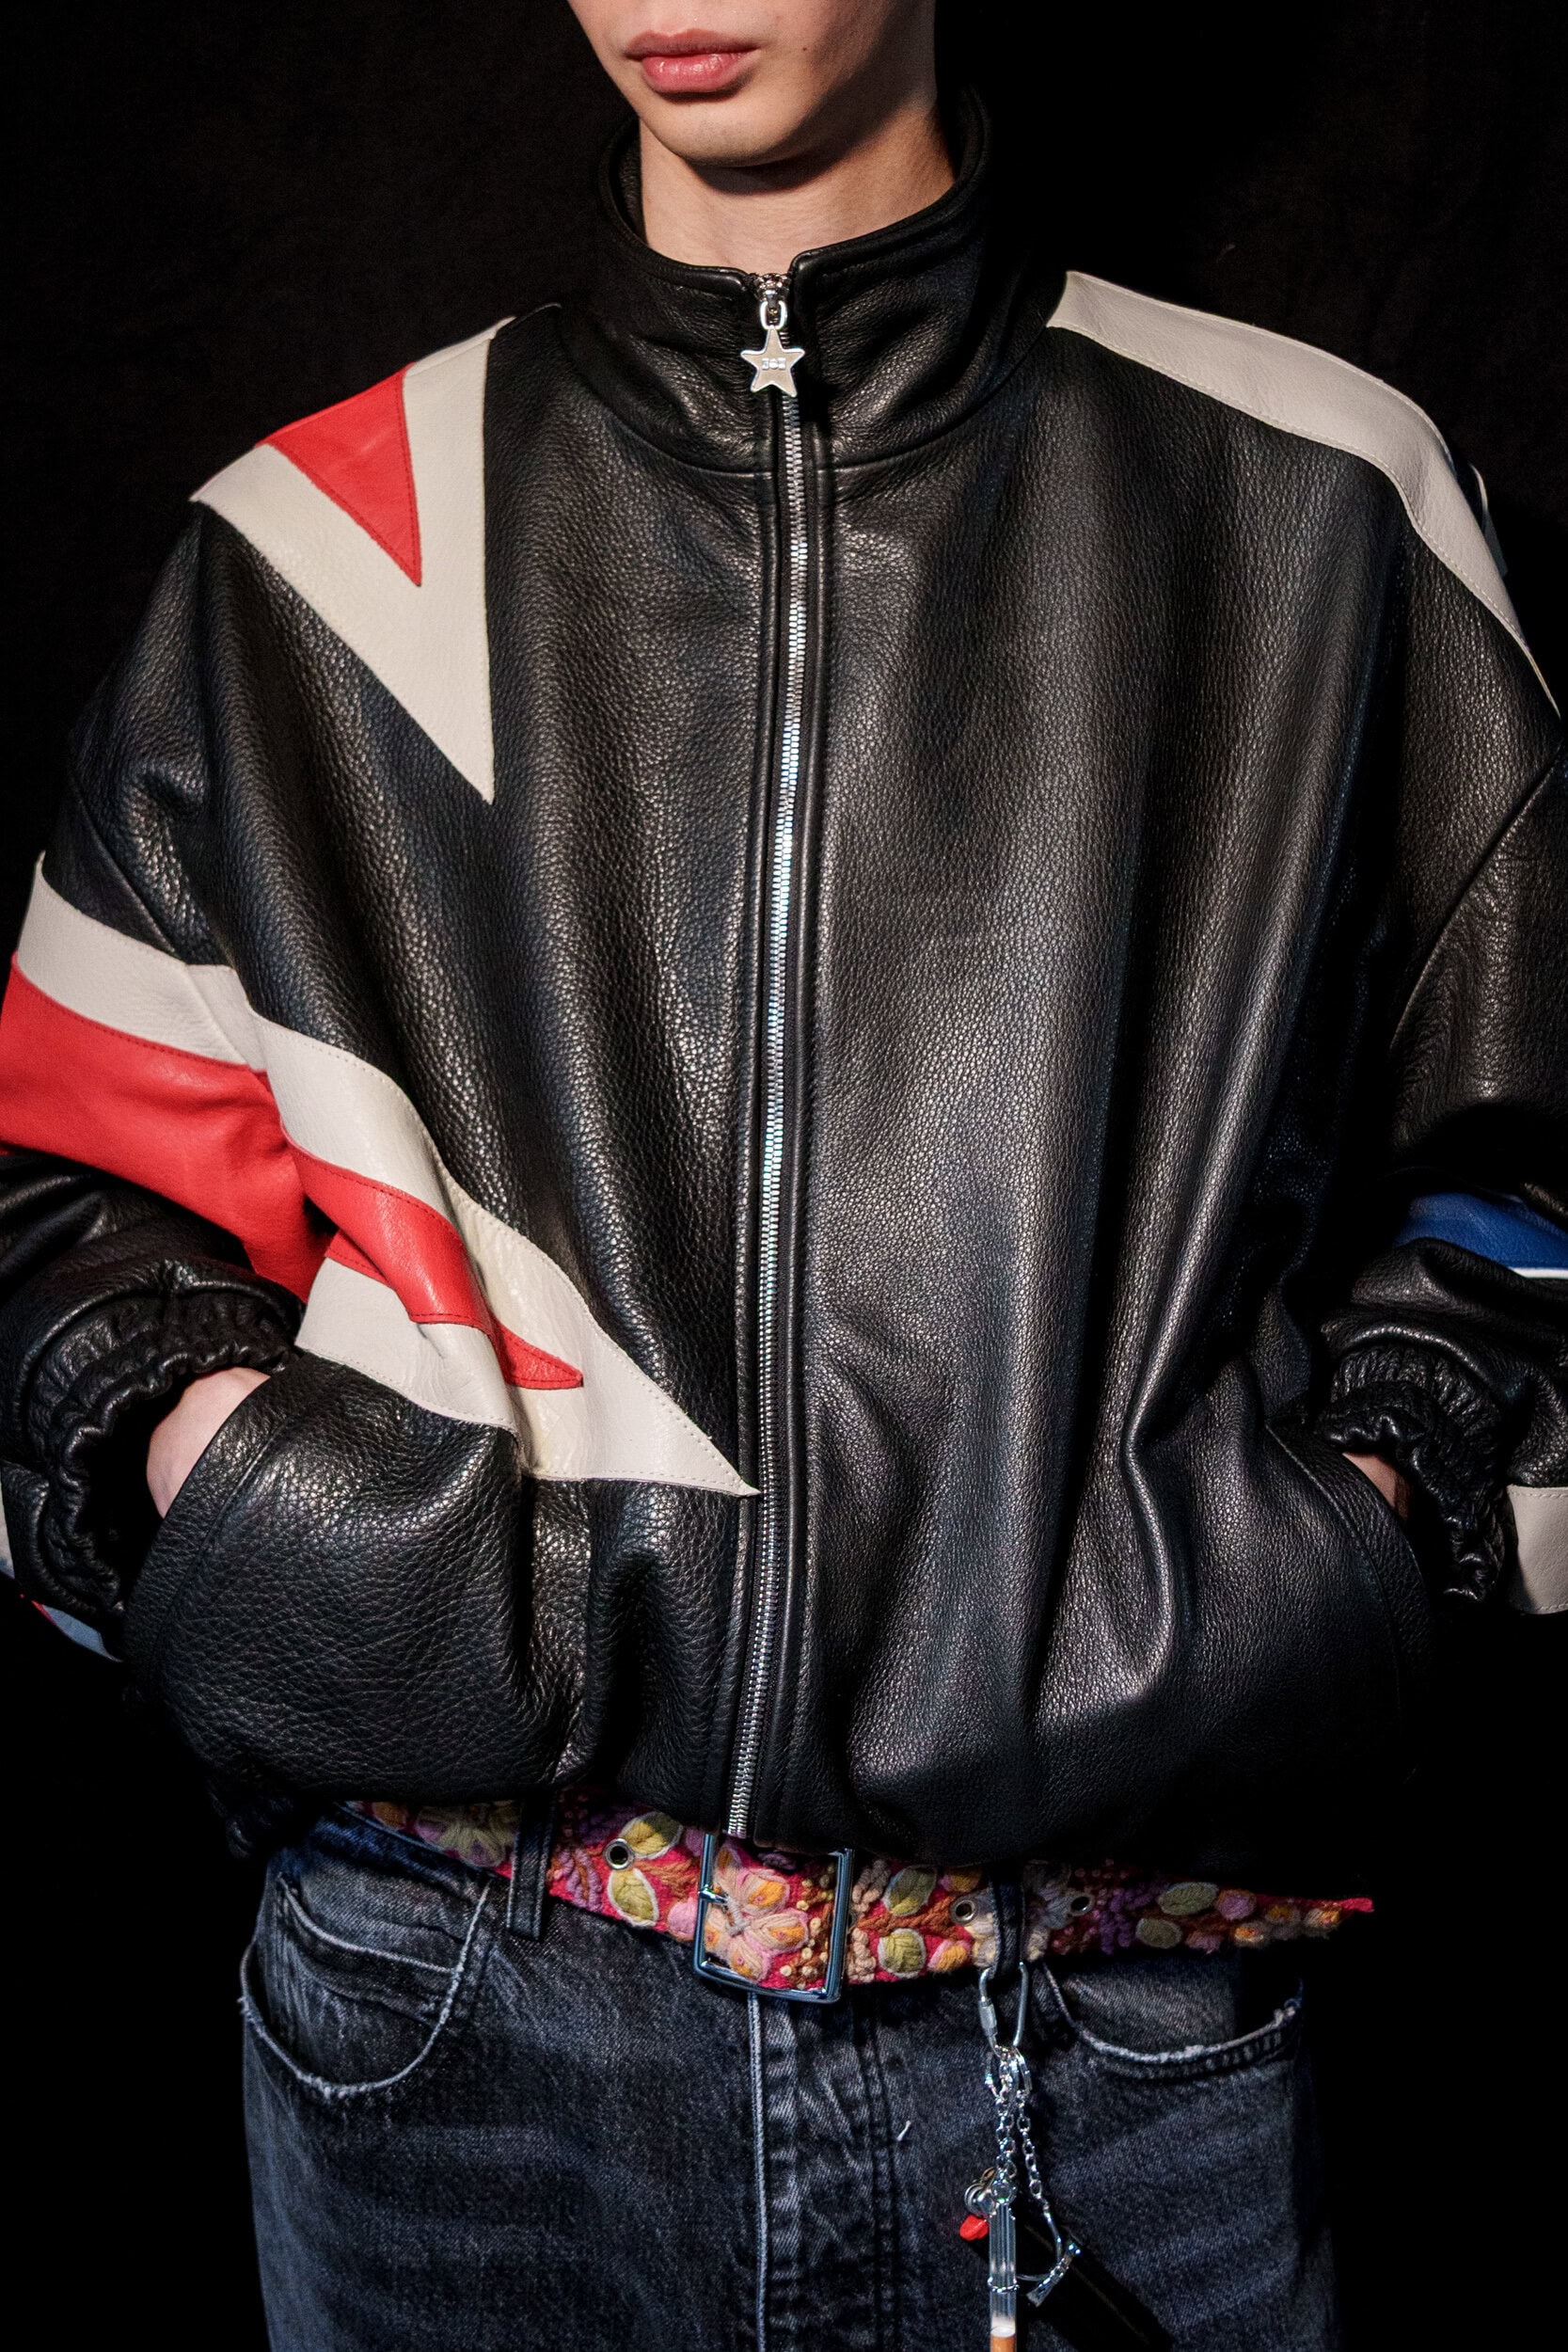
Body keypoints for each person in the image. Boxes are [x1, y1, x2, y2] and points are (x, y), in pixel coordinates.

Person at [2, 2, 1564, 2344]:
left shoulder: (1321, 496)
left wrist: (1338, 1532)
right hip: (450, 2027)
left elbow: (1531, 1174)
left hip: (1110, 2036)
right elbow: (62, 1219)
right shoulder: (306, 549)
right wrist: (266, 1499)